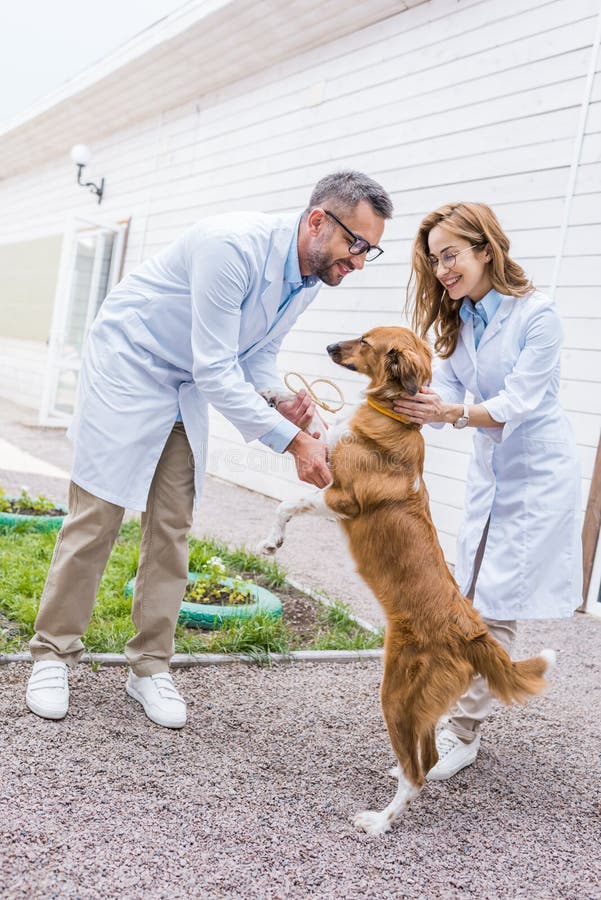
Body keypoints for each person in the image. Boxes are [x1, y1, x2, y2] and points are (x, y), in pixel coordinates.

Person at [26, 171, 393, 728]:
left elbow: (256, 354)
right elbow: (217, 367)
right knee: (98, 514)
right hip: (132, 361)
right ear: (318, 220)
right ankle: (53, 653)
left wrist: (278, 399)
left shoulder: (311, 277)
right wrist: (292, 442)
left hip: (186, 380)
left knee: (172, 521)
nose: (359, 260)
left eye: (371, 249)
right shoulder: (232, 246)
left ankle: (149, 667)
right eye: (356, 244)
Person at [393, 201, 582, 779]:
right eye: (434, 260)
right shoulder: (458, 321)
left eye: (451, 255)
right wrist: (418, 405)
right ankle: (445, 716)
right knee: (468, 591)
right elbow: (446, 390)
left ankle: (464, 732)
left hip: (536, 477)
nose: (443, 270)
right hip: (490, 475)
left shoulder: (538, 316)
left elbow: (516, 404)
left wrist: (448, 411)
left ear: (485, 249)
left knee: (493, 602)